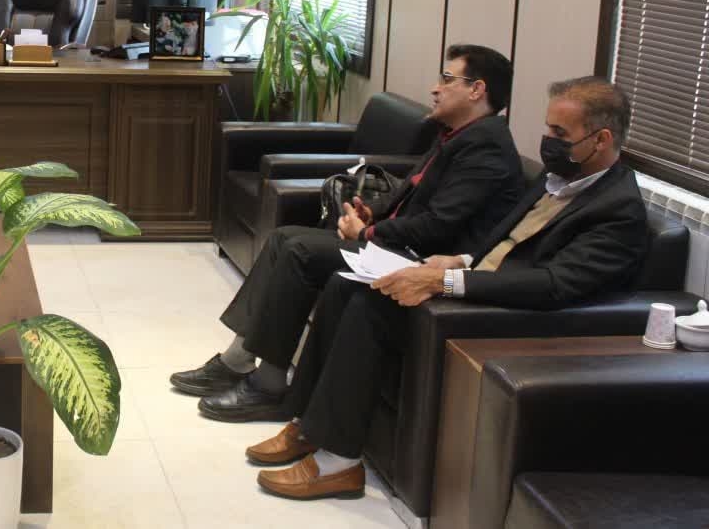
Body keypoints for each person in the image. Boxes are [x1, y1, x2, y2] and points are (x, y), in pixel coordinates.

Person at [249, 77, 648, 501]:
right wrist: (460, 260)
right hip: (475, 284)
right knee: (345, 284)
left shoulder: (617, 211)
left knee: (370, 303)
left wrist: (447, 281)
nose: (547, 141)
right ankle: (309, 426)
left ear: (601, 139)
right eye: (548, 128)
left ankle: (338, 465)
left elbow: (553, 283)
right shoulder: (556, 178)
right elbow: (502, 242)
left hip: (509, 317)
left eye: (559, 133)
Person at [170, 44, 525, 422]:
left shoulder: (486, 149)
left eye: (447, 78)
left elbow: (439, 225)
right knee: (283, 238)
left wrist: (368, 231)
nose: (435, 88)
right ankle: (236, 361)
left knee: (299, 251)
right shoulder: (457, 135)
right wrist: (373, 211)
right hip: (400, 244)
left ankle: (268, 386)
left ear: (476, 90)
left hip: (426, 264)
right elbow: (413, 192)